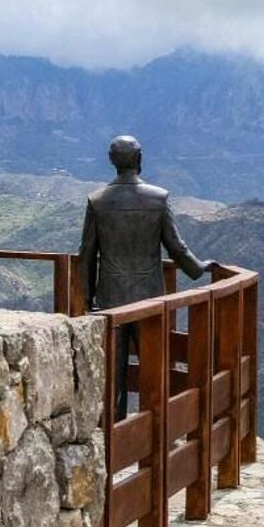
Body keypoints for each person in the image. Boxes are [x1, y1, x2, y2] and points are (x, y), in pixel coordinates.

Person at [78, 135, 217, 419]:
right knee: (154, 366)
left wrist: (87, 297)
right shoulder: (158, 199)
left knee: (112, 371)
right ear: (139, 159)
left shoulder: (97, 201)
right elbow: (176, 246)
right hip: (150, 297)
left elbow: (87, 255)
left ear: (111, 160)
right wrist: (198, 268)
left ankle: (113, 435)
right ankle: (159, 431)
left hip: (110, 298)